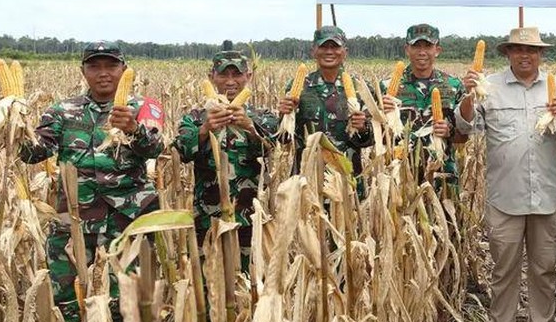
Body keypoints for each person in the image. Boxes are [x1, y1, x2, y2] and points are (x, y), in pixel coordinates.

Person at [19, 42, 165, 322]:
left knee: (128, 296)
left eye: (111, 66)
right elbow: (33, 153)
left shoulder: (143, 108)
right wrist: (15, 124)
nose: (103, 73)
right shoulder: (62, 111)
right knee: (68, 295)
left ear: (123, 69)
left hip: (125, 223)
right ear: (83, 71)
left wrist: (134, 129)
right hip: (74, 222)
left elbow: (156, 147)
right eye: (94, 66)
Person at [456, 26, 556, 322]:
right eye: (518, 49)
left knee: (543, 268)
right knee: (504, 270)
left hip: (546, 195)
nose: (525, 55)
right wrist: (468, 94)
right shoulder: (488, 87)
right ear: (507, 53)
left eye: (532, 50)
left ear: (540, 55)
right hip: (505, 196)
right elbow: (464, 129)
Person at [174, 47, 278, 269]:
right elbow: (181, 152)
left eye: (237, 74)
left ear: (248, 77)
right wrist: (205, 129)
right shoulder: (194, 118)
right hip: (208, 219)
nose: (230, 82)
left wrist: (250, 127)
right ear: (212, 77)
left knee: (251, 282)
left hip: (251, 219)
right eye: (223, 75)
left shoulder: (263, 118)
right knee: (208, 284)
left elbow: (271, 150)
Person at [277, 26, 374, 188]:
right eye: (323, 46)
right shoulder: (298, 87)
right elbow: (284, 139)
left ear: (345, 52)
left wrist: (363, 128)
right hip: (307, 180)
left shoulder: (362, 89)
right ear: (314, 51)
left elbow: (369, 141)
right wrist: (283, 116)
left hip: (347, 180)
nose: (329, 51)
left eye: (335, 47)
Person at [380, 23, 466, 191]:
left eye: (428, 46)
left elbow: (464, 137)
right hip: (400, 178)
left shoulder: (454, 86)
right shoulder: (386, 88)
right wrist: (381, 115)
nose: (422, 52)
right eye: (416, 46)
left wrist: (450, 131)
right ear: (407, 49)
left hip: (442, 178)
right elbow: (373, 137)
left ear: (437, 50)